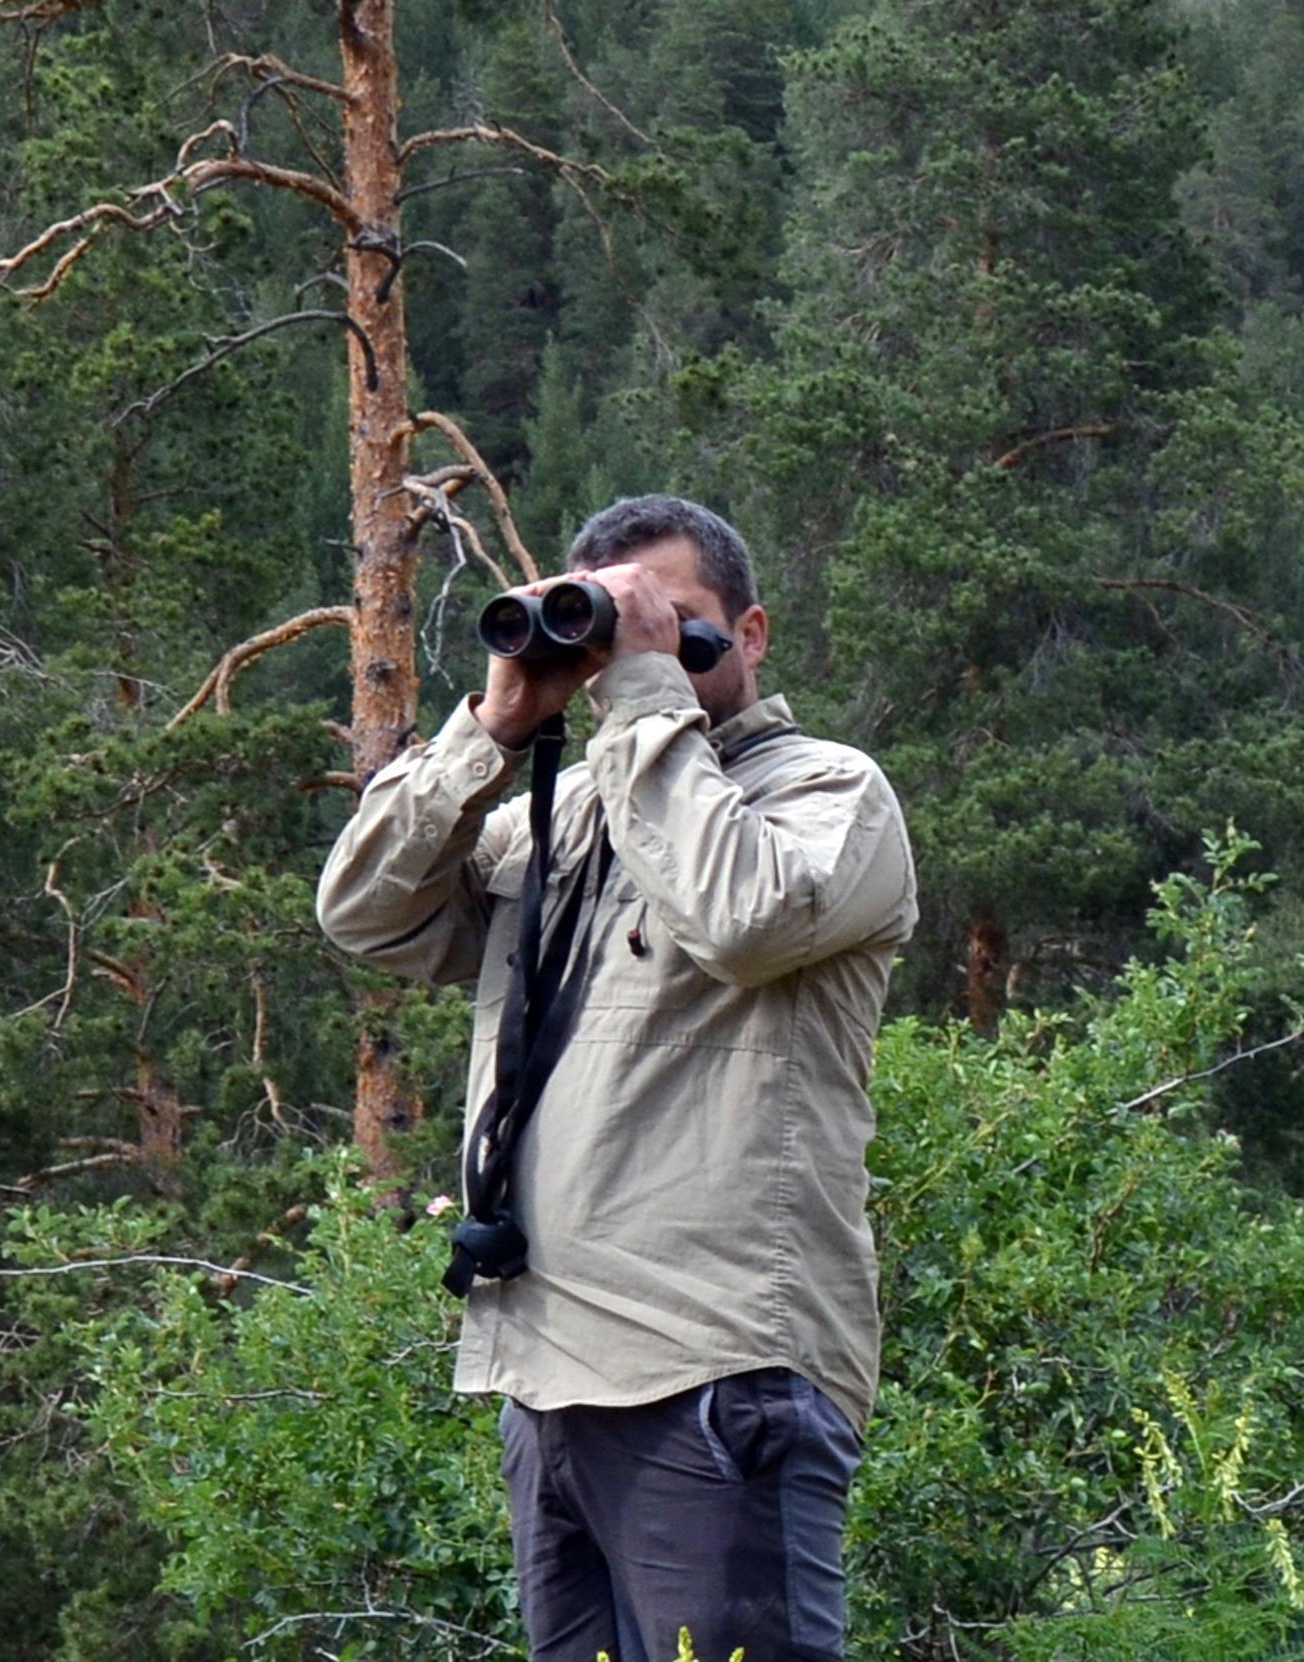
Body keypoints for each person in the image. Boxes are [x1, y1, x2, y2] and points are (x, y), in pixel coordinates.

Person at [313, 495, 918, 1662]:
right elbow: (365, 915)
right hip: (549, 1376)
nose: (641, 651)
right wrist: (491, 730)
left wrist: (642, 698)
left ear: (751, 634)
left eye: (675, 623)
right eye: (613, 624)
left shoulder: (828, 795)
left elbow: (741, 916)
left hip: (718, 1366)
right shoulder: (572, 813)